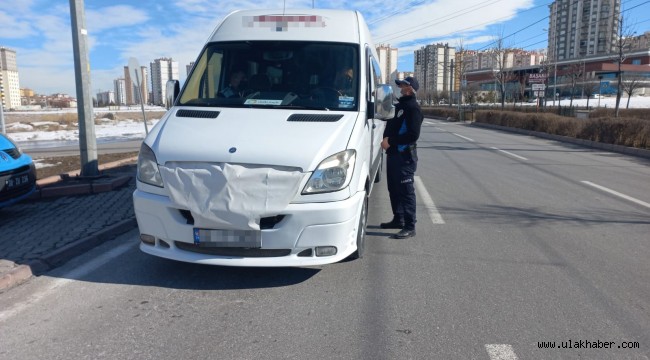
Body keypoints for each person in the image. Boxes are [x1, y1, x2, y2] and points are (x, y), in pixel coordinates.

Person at [380, 76, 423, 239]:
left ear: (411, 88)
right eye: (400, 85)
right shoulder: (399, 106)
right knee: (394, 188)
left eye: (404, 85)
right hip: (393, 154)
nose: (400, 87)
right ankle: (398, 218)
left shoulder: (413, 108)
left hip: (405, 155)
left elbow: (413, 135)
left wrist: (390, 141)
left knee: (406, 191)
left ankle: (410, 225)